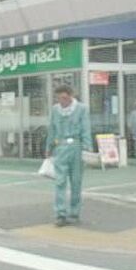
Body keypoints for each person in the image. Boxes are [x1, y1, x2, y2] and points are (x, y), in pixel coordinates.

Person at [45, 85, 92, 227]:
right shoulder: (55, 110)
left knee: (76, 182)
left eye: (64, 98)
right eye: (59, 98)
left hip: (76, 146)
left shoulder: (81, 109)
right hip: (60, 146)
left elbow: (86, 128)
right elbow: (52, 129)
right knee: (59, 181)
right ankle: (60, 214)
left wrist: (87, 148)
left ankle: (74, 212)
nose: (62, 101)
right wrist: (49, 147)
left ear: (71, 96)